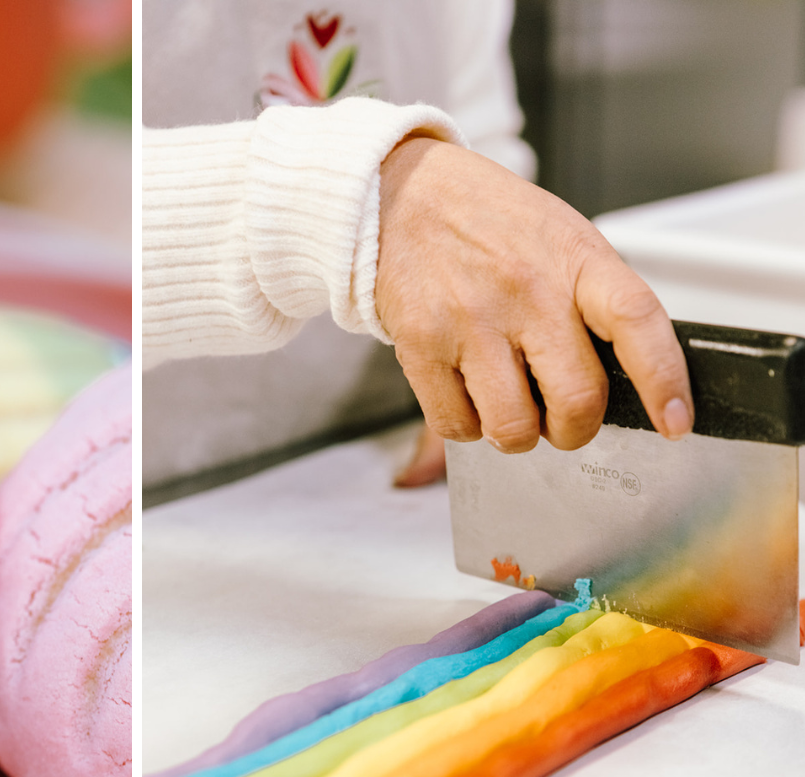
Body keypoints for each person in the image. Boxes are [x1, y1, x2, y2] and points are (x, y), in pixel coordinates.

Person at [141, 1, 693, 489]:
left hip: (373, 453)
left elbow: (476, 134)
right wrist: (361, 201)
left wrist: (488, 361)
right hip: (144, 480)